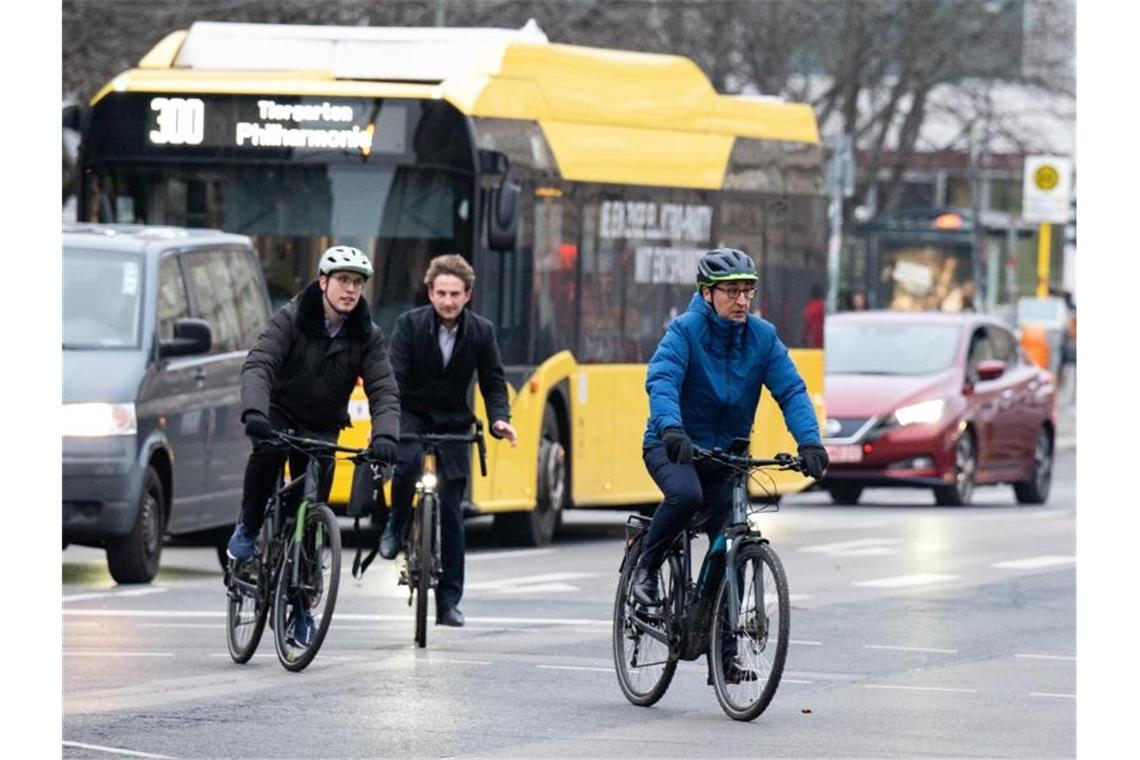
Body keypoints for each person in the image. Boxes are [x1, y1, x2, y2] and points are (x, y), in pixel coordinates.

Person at [632, 248, 829, 679]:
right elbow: (661, 378)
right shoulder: (684, 331)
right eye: (731, 292)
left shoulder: (762, 337)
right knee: (686, 495)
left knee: (731, 544)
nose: (742, 301)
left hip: (728, 455)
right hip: (674, 445)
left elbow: (791, 391)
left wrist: (810, 443)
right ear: (706, 294)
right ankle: (646, 569)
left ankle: (725, 657)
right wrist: (670, 428)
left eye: (747, 292)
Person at [226, 245, 401, 645]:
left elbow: (384, 390)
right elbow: (260, 363)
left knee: (311, 517)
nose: (350, 290)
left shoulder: (368, 335)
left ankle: (301, 607)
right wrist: (255, 411)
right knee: (268, 453)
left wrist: (386, 435)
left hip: (323, 424)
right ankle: (249, 528)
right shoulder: (290, 318)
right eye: (343, 280)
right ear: (323, 282)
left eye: (357, 283)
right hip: (280, 411)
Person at [378, 254, 518, 627]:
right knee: (406, 465)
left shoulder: (481, 332)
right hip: (412, 414)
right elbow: (393, 378)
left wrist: (500, 420)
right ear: (429, 293)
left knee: (453, 511)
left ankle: (448, 602)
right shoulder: (409, 325)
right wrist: (389, 422)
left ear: (468, 295)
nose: (448, 301)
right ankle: (395, 523)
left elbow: (492, 381)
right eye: (441, 293)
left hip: (454, 421)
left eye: (455, 293)